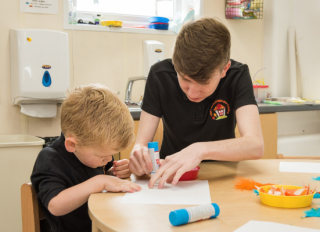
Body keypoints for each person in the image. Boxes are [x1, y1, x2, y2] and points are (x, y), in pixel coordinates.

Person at [129, 17, 264, 189]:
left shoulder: (238, 75)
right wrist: (138, 155)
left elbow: (255, 145)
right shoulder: (160, 75)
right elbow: (141, 143)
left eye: (203, 83)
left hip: (222, 175)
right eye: (185, 80)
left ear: (224, 69)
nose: (192, 93)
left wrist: (199, 150)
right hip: (171, 180)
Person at [31, 84, 141, 232]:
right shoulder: (50, 159)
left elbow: (103, 176)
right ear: (71, 144)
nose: (108, 159)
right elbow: (55, 205)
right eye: (102, 156)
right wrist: (99, 182)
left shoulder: (91, 150)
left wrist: (117, 172)